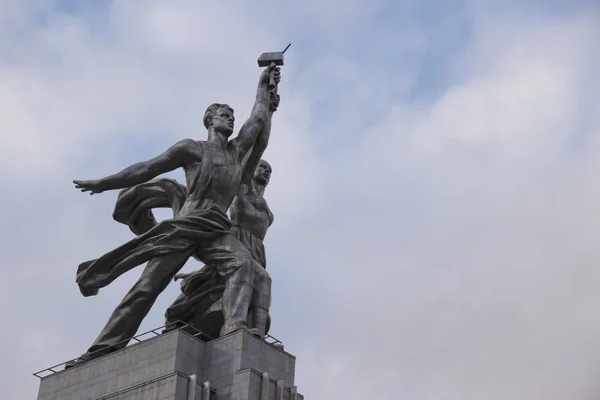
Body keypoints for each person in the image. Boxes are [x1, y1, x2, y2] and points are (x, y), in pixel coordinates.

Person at [66, 64, 281, 368]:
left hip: (215, 228)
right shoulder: (192, 149)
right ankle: (101, 349)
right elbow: (147, 168)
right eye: (225, 115)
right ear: (210, 120)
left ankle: (234, 327)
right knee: (147, 288)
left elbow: (258, 119)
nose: (231, 119)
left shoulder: (236, 152)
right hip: (185, 226)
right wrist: (105, 183)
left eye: (233, 116)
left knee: (243, 265)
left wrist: (265, 87)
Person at [165, 159, 275, 340]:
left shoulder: (268, 211)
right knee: (261, 279)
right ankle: (239, 327)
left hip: (256, 249)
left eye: (269, 170)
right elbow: (248, 158)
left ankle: (257, 335)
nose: (266, 171)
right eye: (262, 166)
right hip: (237, 240)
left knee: (258, 286)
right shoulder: (243, 188)